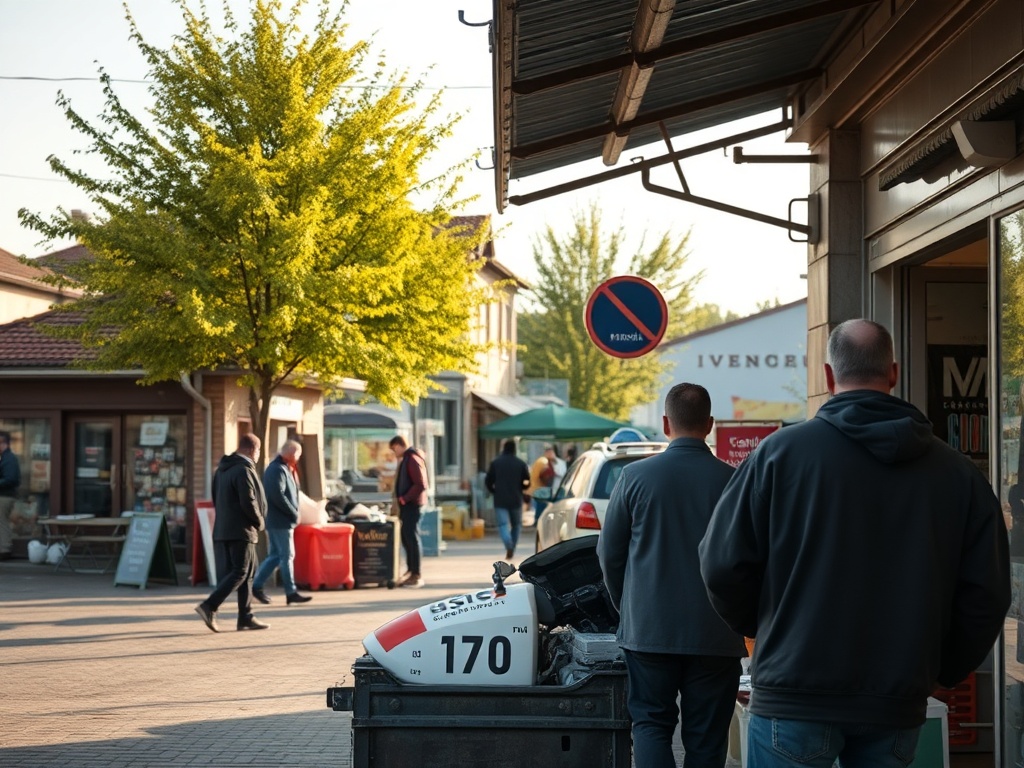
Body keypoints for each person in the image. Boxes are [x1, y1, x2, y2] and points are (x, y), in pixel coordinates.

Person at [699, 319, 1011, 768]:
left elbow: (721, 564)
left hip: (794, 692)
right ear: (893, 374)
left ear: (828, 377)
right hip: (896, 697)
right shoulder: (956, 474)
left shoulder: (777, 455)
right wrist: (944, 670)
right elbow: (988, 590)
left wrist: (768, 629)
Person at [598, 383, 745, 768]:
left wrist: (626, 607)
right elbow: (753, 560)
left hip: (649, 630)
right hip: (717, 632)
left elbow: (609, 554)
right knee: (706, 739)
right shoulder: (735, 483)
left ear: (665, 423)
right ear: (710, 424)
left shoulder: (634, 478)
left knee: (650, 725)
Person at [195, 433, 270, 633]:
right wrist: (259, 521)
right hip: (243, 530)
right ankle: (210, 606)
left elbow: (215, 498)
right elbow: (249, 501)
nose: (259, 455)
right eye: (259, 450)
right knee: (241, 571)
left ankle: (245, 617)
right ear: (251, 449)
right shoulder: (243, 470)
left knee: (247, 574)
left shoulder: (221, 470)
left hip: (225, 528)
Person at [252, 439, 312, 606]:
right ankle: (290, 591)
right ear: (292, 453)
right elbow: (276, 496)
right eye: (298, 454)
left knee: (276, 556)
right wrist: (293, 513)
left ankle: (256, 586)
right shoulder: (276, 469)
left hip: (281, 520)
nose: (298, 458)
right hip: (280, 521)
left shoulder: (283, 468)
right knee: (287, 556)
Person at [390, 434, 428, 588]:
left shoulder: (411, 459)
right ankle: (411, 570)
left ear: (399, 445)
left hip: (412, 505)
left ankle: (416, 573)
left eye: (394, 449)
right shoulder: (407, 459)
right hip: (408, 504)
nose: (394, 453)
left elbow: (420, 484)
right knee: (406, 537)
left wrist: (404, 498)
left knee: (411, 538)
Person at [485, 439, 531, 560]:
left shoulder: (496, 463)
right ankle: (512, 546)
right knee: (516, 525)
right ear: (514, 449)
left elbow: (488, 481)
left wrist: (494, 491)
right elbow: (527, 481)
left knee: (503, 524)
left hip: (500, 499)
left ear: (503, 448)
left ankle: (508, 544)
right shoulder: (520, 464)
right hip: (516, 499)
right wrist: (522, 487)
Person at [0, 430, 20, 561]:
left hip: (4, 496)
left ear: (3, 443)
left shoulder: (9, 458)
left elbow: (11, 479)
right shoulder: (6, 458)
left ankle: (4, 550)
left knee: (1, 522)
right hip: (4, 495)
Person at [527, 444, 556, 516]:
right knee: (541, 510)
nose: (552, 455)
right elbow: (546, 475)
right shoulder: (544, 462)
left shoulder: (541, 460)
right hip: (541, 490)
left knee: (539, 509)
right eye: (551, 453)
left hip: (536, 489)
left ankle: (537, 520)